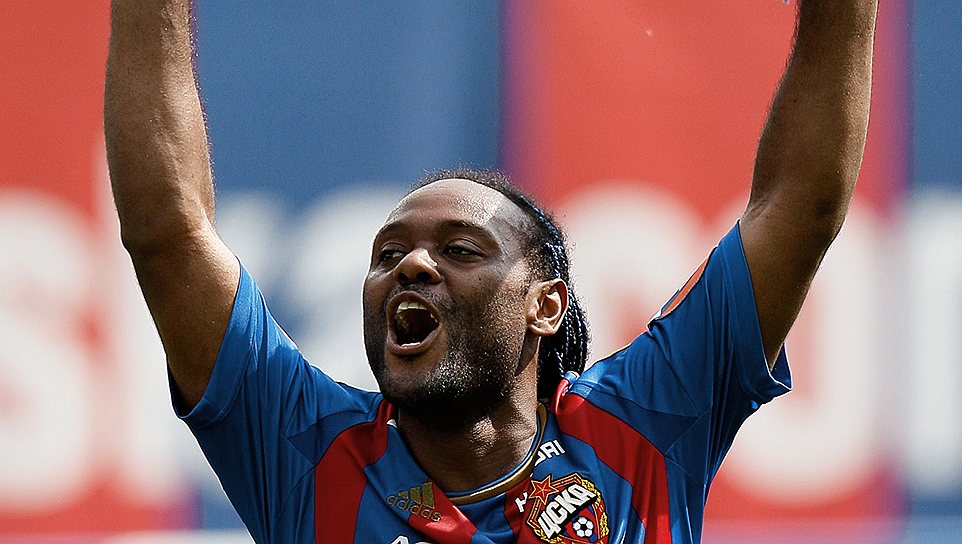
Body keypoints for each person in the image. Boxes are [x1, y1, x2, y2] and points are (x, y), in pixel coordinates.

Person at [104, 1, 878, 542]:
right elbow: (169, 233)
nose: (412, 264)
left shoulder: (645, 421)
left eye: (460, 249)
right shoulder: (302, 450)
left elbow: (800, 205)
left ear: (546, 305)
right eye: (387, 255)